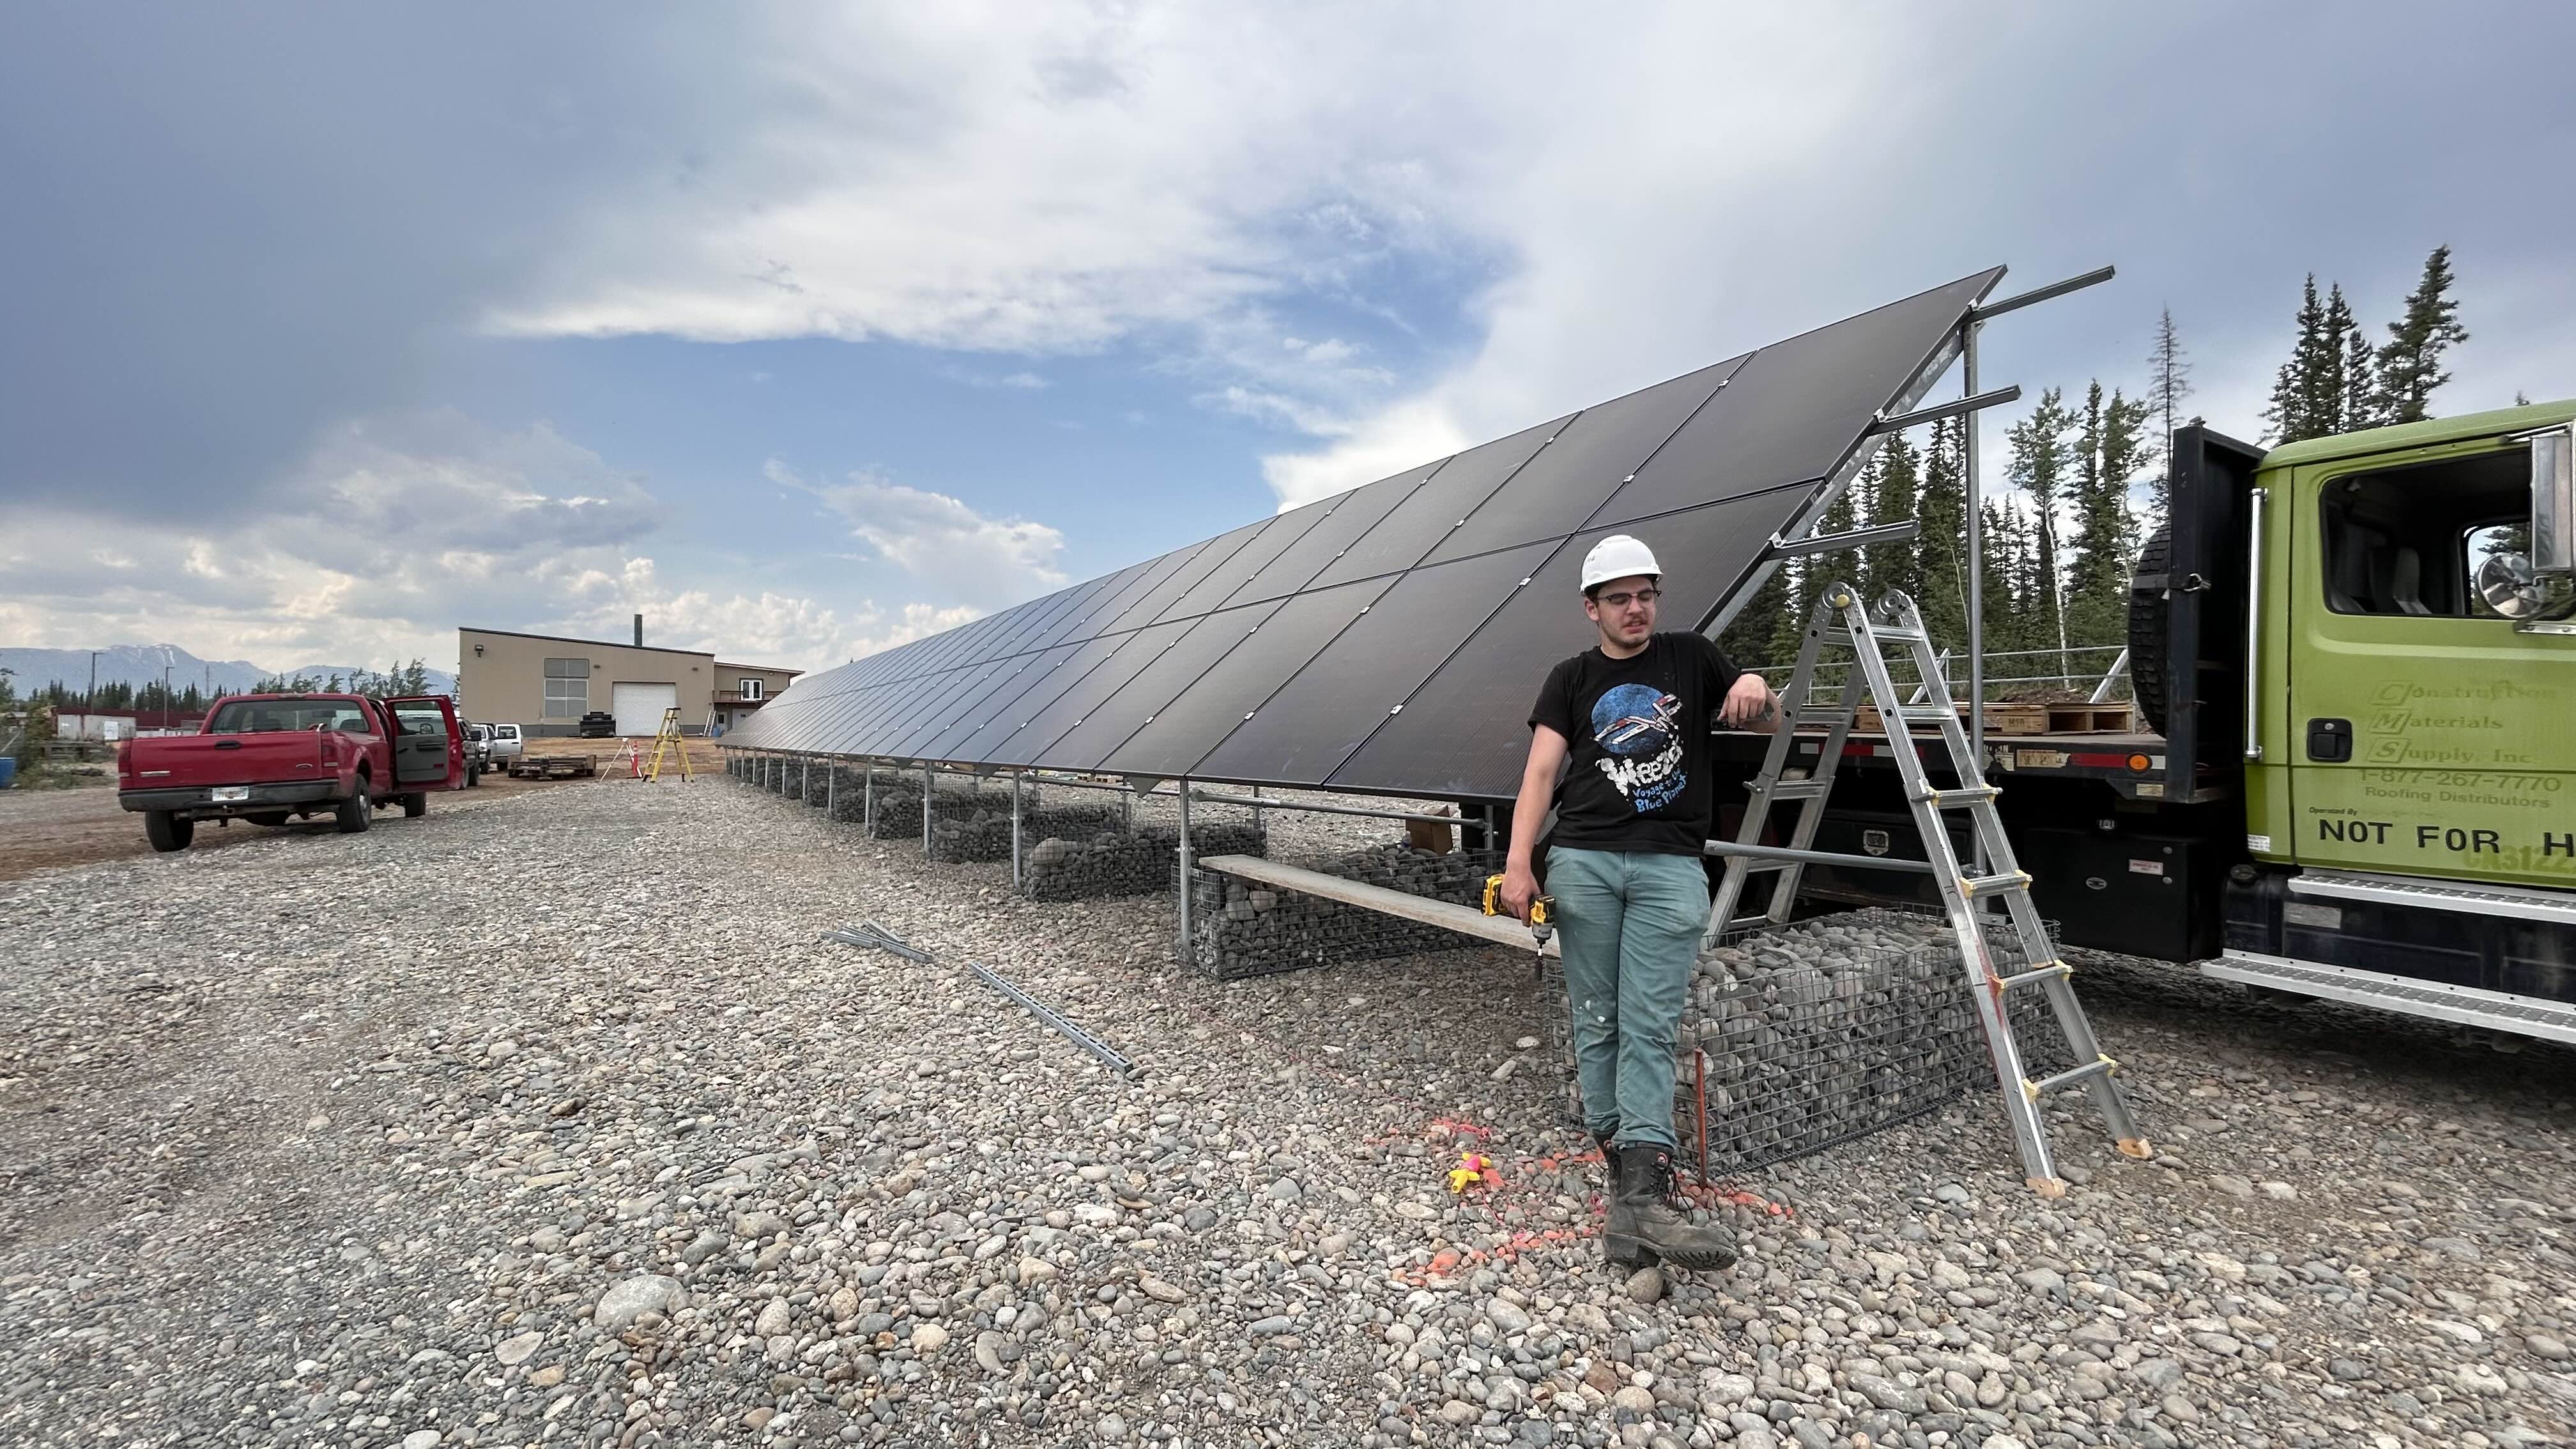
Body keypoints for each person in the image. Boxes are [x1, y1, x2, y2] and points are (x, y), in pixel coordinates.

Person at [1498, 533, 1782, 1272]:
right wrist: (1518, 863)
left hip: (1668, 868)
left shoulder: (1691, 656)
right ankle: (1633, 1202)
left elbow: (1769, 718)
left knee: (1648, 1026)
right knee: (1597, 1019)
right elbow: (1539, 775)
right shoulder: (1571, 678)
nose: (1636, 608)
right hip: (1583, 862)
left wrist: (1756, 682)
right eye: (1619, 598)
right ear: (1591, 608)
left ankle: (1643, 1200)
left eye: (1646, 595)